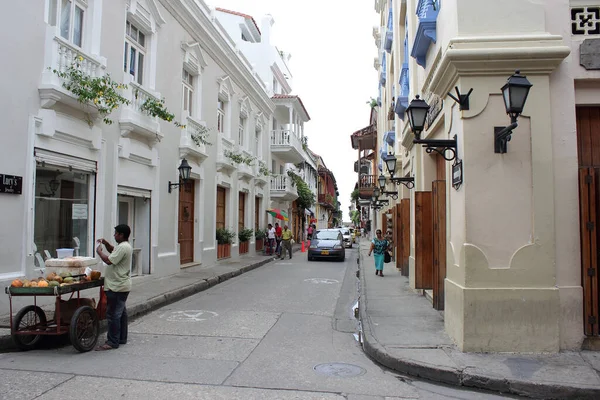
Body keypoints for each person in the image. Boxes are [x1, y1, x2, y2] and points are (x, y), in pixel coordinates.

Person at [95, 224, 133, 350]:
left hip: (117, 286)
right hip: (122, 285)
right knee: (121, 313)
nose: (114, 235)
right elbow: (113, 251)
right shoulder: (123, 246)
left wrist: (99, 252)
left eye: (116, 233)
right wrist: (106, 244)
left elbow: (109, 260)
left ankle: (112, 341)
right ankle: (121, 338)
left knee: (113, 315)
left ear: (121, 235)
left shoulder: (123, 247)